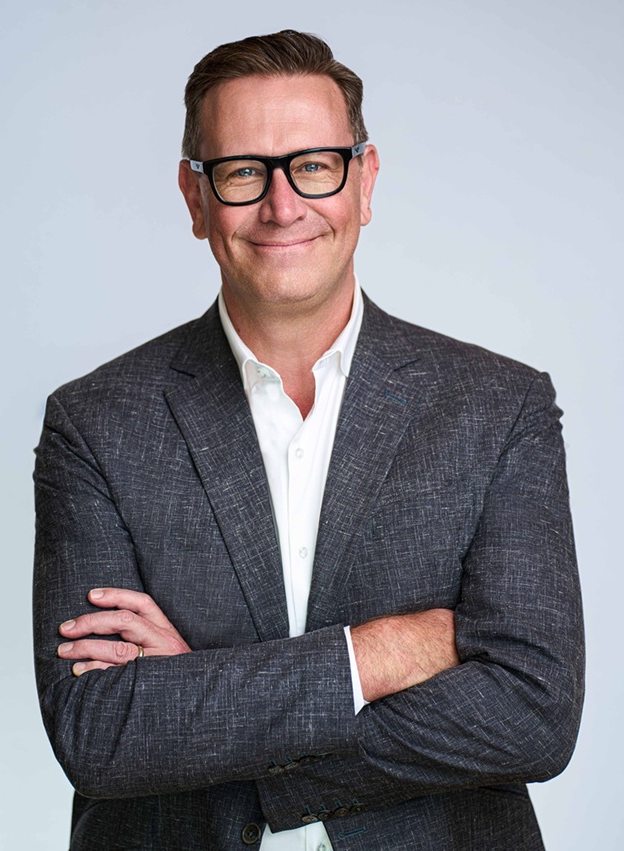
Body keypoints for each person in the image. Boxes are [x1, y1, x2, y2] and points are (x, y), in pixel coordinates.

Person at [33, 30, 584, 851]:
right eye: (243, 171)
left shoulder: (500, 408)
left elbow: (536, 714)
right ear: (194, 197)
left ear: (365, 179)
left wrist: (203, 700)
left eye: (315, 165)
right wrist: (377, 653)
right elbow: (102, 733)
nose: (283, 206)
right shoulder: (97, 423)